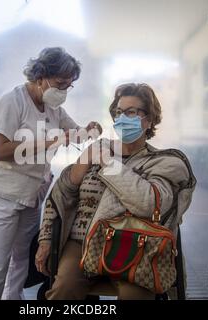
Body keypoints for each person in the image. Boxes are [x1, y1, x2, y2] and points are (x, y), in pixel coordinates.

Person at [35, 83, 196, 300]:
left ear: (148, 120)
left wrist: (109, 163)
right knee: (64, 288)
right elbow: (61, 196)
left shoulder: (165, 162)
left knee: (135, 296)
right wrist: (45, 240)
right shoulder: (98, 150)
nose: (122, 118)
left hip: (136, 246)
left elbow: (148, 203)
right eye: (119, 112)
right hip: (82, 242)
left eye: (131, 112)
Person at [0, 47, 102, 300]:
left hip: (31, 194)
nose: (63, 91)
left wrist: (90, 129)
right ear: (40, 76)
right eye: (60, 83)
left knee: (20, 261)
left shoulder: (54, 109)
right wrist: (50, 140)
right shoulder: (11, 101)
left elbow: (76, 134)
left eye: (69, 86)